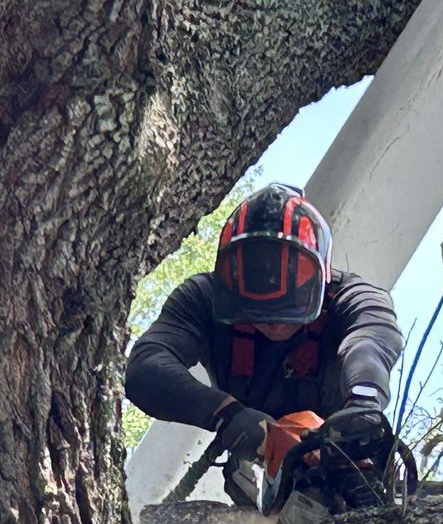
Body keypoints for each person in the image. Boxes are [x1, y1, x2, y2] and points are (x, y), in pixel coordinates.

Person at [125, 183, 402, 470]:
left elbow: (372, 339)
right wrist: (226, 415)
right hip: (258, 474)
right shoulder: (203, 298)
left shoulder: (356, 298)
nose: (273, 322)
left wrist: (364, 402)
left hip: (352, 463)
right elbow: (145, 367)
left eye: (287, 309)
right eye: (258, 310)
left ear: (318, 280)